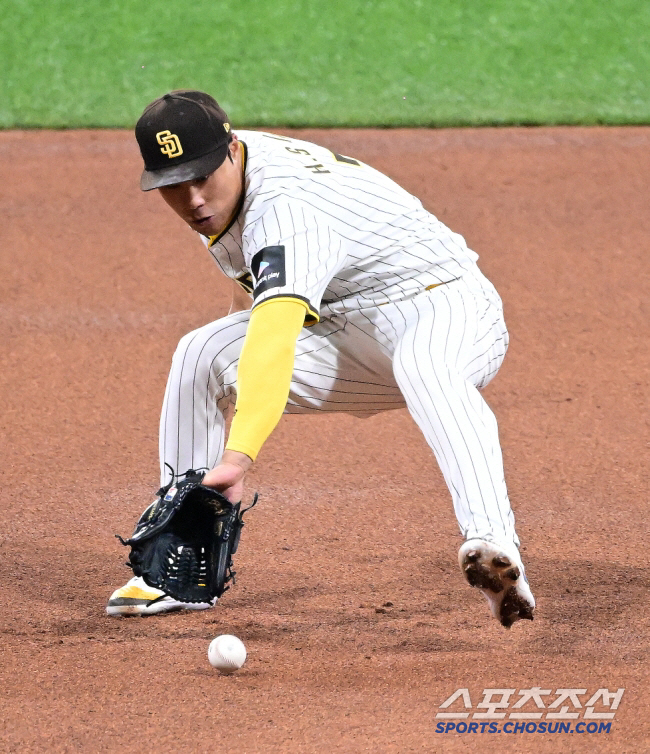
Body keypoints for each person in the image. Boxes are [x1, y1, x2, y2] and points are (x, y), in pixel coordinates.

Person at [106, 90, 535, 628]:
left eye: (202, 176)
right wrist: (231, 367)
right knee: (203, 351)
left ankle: (494, 544)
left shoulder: (286, 207)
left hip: (445, 303)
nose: (192, 198)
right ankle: (175, 559)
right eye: (174, 184)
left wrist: (238, 458)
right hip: (349, 328)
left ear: (233, 149)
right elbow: (254, 303)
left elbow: (274, 335)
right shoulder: (226, 185)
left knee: (427, 366)